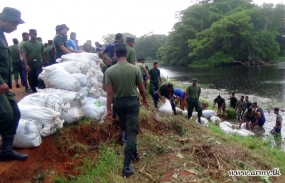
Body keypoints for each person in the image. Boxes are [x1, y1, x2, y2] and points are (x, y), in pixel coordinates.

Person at [105, 43, 147, 177]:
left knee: (126, 129)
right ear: (127, 55)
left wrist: (109, 109)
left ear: (115, 55)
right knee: (132, 132)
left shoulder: (109, 71)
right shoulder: (135, 69)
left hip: (119, 104)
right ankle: (126, 166)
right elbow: (141, 89)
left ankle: (135, 154)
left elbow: (109, 93)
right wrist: (145, 99)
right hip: (132, 103)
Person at [0, 6, 28, 161]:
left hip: (4, 85)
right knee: (4, 115)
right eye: (15, 24)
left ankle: (6, 150)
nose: (16, 28)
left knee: (14, 114)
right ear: (5, 20)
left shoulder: (2, 35)